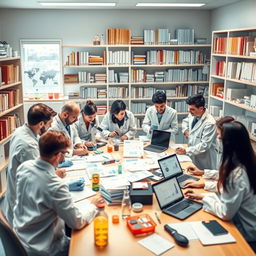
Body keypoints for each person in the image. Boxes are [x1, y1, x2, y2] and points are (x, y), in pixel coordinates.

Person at [13, 130, 104, 256]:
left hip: (22, 239)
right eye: (65, 153)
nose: (65, 156)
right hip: (45, 249)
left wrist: (55, 177)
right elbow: (77, 222)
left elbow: (40, 185)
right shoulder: (56, 186)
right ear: (58, 155)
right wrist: (93, 205)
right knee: (90, 245)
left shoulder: (24, 167)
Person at [185, 121, 256, 248]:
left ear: (229, 143)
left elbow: (225, 213)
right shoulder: (247, 162)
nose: (217, 140)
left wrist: (205, 198)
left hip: (248, 236)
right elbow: (227, 189)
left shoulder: (236, 175)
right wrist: (202, 192)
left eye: (219, 137)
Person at [1, 103, 57, 227]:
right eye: (49, 124)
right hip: (24, 206)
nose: (50, 127)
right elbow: (41, 181)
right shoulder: (28, 147)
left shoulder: (21, 130)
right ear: (41, 124)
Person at [183, 116, 235, 191]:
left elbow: (227, 188)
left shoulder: (238, 163)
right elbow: (225, 175)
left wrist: (202, 195)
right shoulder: (232, 153)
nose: (217, 139)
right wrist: (202, 173)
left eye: (219, 136)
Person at [176, 93, 217, 170]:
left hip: (204, 160)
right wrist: (185, 130)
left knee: (202, 178)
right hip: (193, 155)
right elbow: (185, 121)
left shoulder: (210, 123)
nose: (190, 111)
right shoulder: (193, 113)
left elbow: (204, 145)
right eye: (189, 108)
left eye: (192, 109)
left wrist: (186, 150)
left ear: (201, 108)